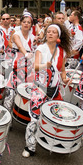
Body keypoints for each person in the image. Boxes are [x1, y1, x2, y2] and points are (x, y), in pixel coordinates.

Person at [22, 23, 71, 157]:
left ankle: (54, 143)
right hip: (40, 88)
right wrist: (45, 65)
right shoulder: (41, 48)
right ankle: (30, 146)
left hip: (55, 89)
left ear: (58, 36)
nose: (50, 34)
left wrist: (65, 79)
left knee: (57, 117)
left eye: (53, 32)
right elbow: (35, 67)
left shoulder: (62, 51)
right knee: (35, 118)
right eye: (48, 31)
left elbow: (62, 70)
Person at [3, 12, 36, 113]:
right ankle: (6, 115)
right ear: (21, 23)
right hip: (17, 63)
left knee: (26, 91)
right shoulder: (16, 34)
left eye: (29, 22)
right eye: (24, 22)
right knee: (11, 92)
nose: (26, 24)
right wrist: (26, 54)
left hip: (29, 65)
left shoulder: (32, 36)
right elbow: (20, 46)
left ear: (31, 24)